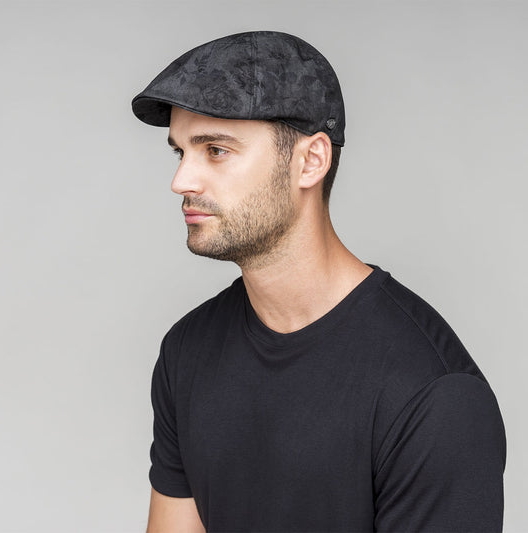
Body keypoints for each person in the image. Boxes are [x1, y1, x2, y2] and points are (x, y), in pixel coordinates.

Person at [132, 30, 506, 533]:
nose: (181, 181)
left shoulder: (433, 396)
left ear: (311, 161)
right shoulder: (188, 350)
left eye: (215, 150)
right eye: (180, 152)